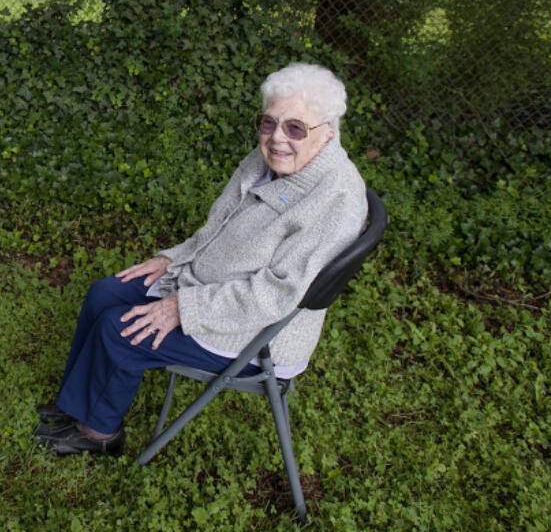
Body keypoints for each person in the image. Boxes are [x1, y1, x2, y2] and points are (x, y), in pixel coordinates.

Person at [35, 62, 368, 455]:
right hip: (206, 280)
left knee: (119, 330)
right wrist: (172, 258)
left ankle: (98, 434)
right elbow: (219, 226)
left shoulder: (336, 200)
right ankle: (76, 404)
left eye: (295, 128)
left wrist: (183, 307)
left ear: (328, 132)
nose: (278, 138)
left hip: (256, 333)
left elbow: (276, 294)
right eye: (268, 123)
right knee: (106, 293)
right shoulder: (271, 159)